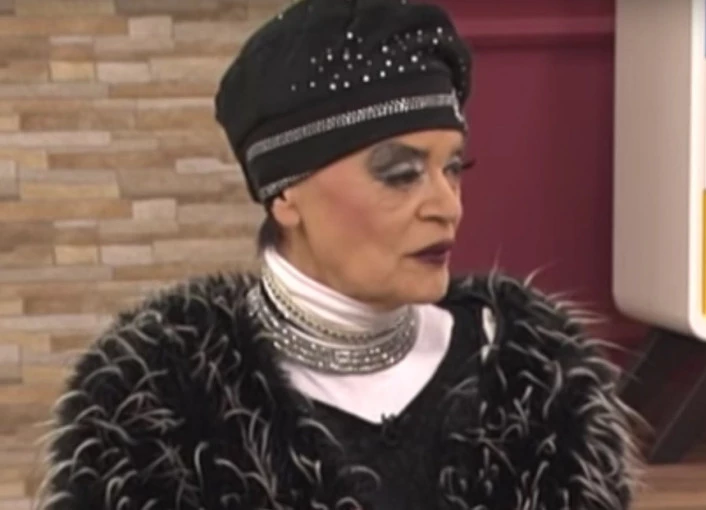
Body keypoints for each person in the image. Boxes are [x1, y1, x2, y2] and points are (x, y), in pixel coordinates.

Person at [38, 1, 641, 509]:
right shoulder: (160, 409)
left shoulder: (540, 389)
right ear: (285, 195)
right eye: (401, 174)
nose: (448, 205)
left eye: (455, 168)